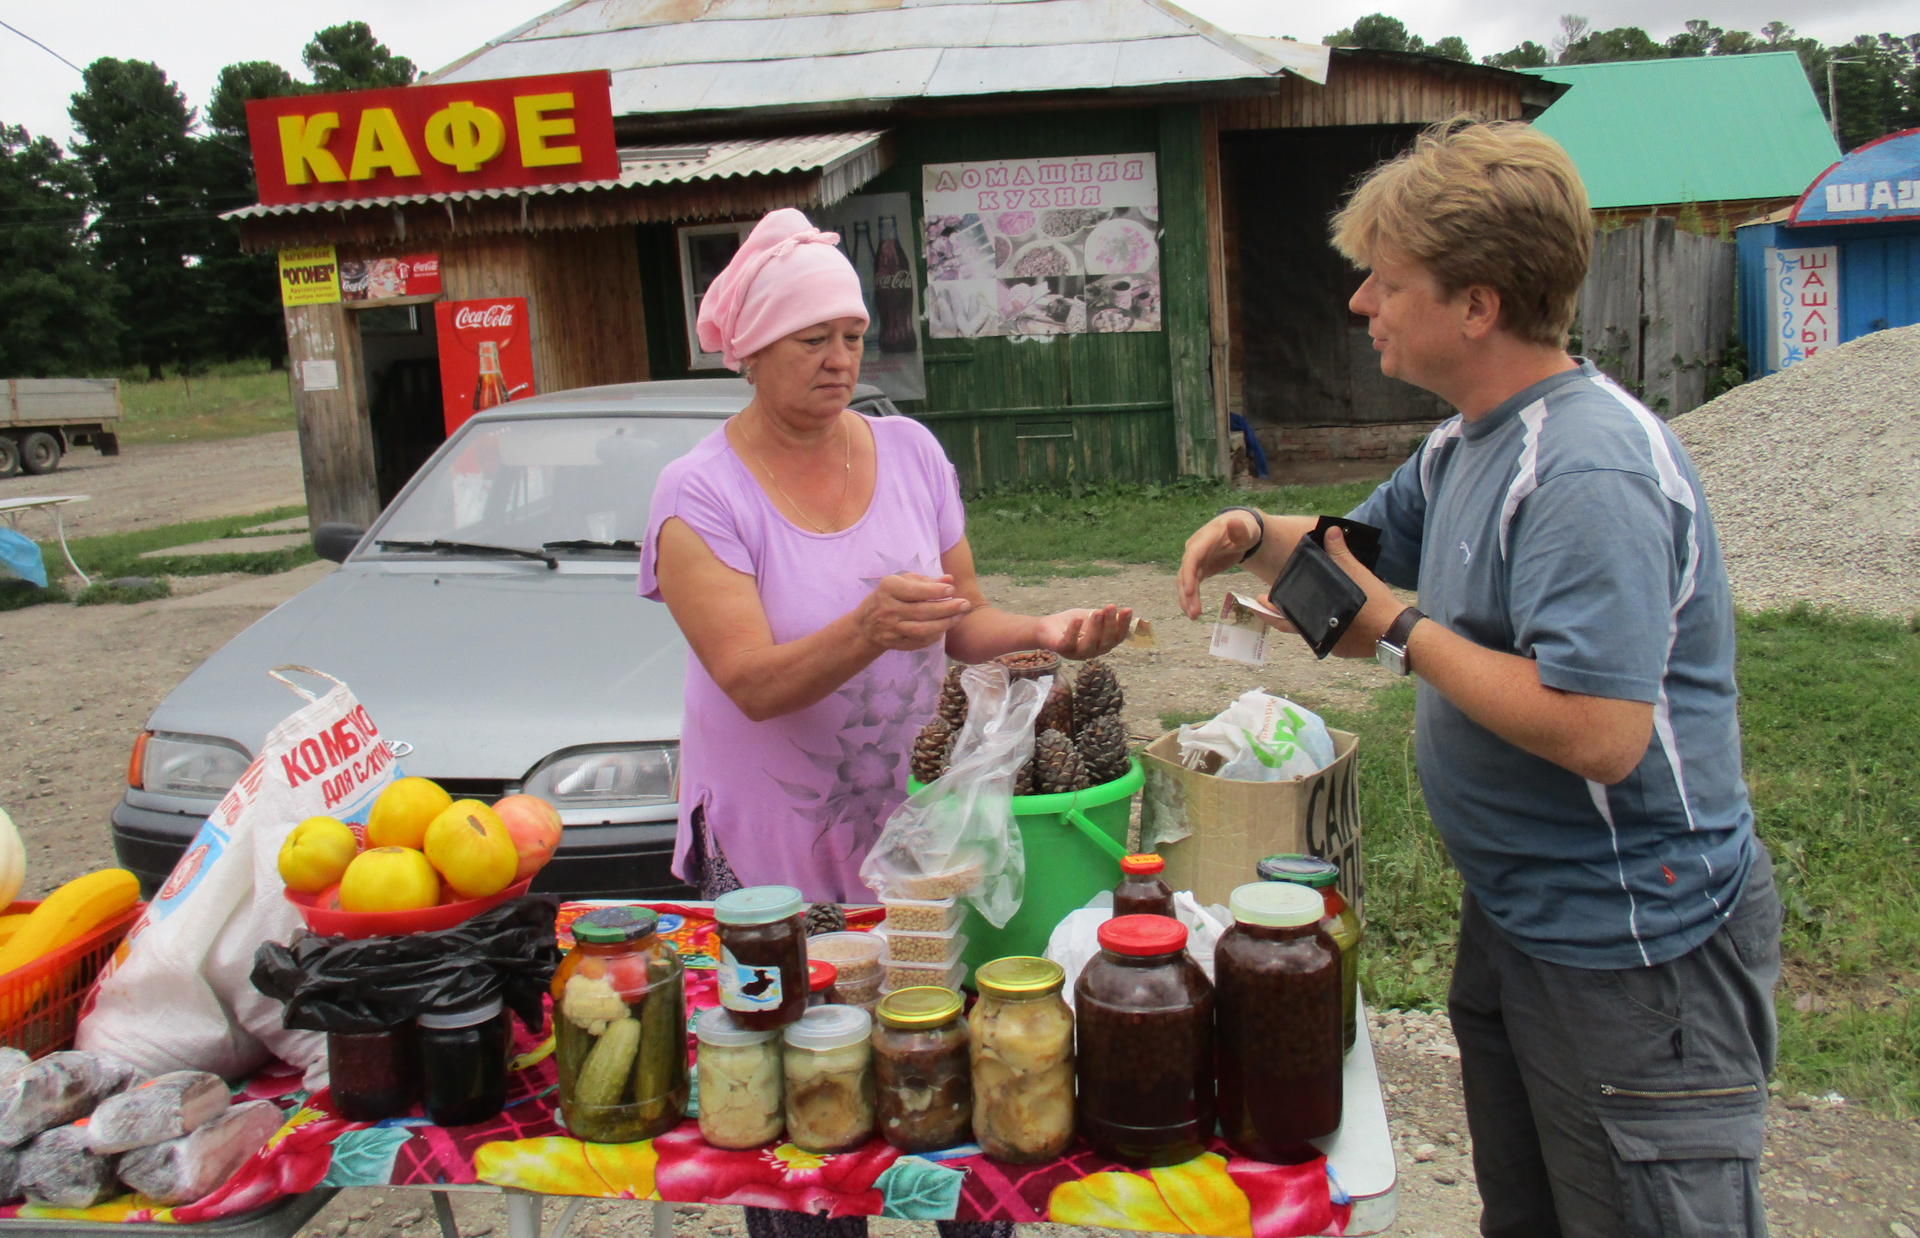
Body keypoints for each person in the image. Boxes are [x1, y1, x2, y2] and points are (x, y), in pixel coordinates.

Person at [1177, 120, 1780, 1238]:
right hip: (1524, 920)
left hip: (1634, 947)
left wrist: (1402, 631)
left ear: (1479, 304)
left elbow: (1602, 733)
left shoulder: (1585, 467)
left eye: (1389, 281)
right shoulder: (1472, 440)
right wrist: (1258, 528)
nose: (1362, 304)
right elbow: (1367, 548)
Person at [641, 207, 1131, 906]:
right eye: (812, 339)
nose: (839, 358)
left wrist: (1041, 631)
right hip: (778, 824)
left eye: (852, 335)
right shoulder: (700, 492)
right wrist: (866, 629)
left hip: (911, 803)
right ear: (751, 349)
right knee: (800, 1003)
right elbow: (749, 684)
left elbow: (962, 618)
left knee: (921, 1000)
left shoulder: (910, 451)